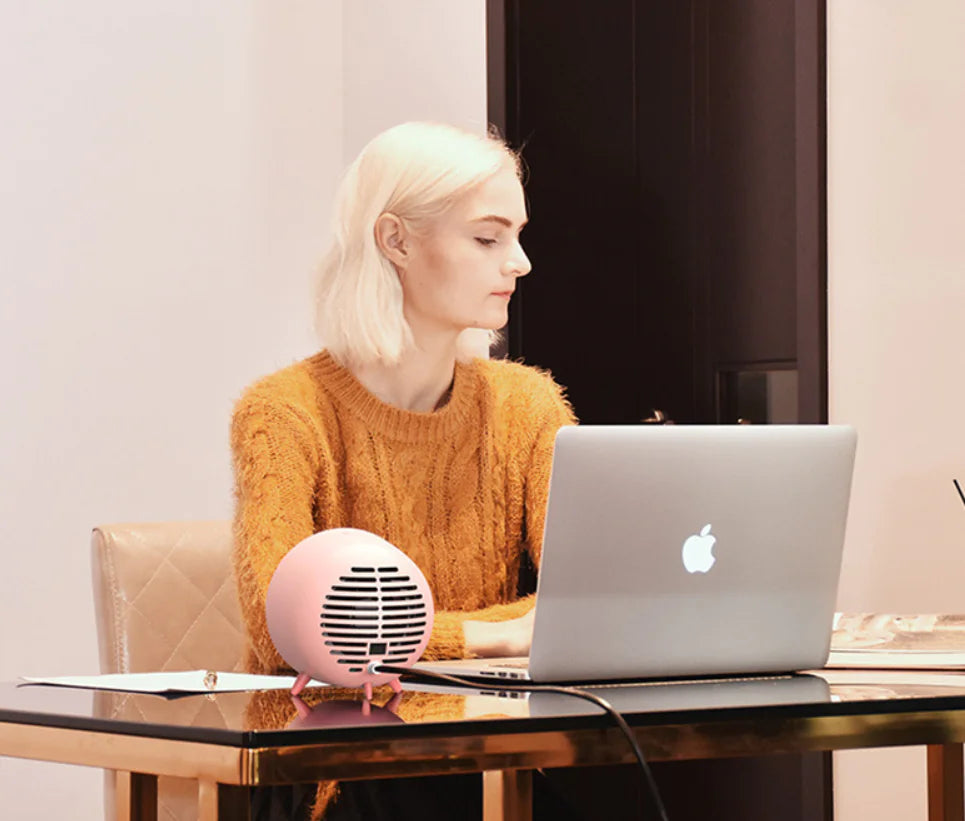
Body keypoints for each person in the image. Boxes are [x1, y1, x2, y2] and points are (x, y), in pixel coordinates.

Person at [230, 121, 577, 820]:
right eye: (487, 238)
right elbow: (285, 631)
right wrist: (493, 635)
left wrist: (392, 640)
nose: (519, 263)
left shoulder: (528, 406)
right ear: (394, 241)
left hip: (487, 755)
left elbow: (585, 608)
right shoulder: (284, 412)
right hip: (330, 773)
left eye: (516, 235)